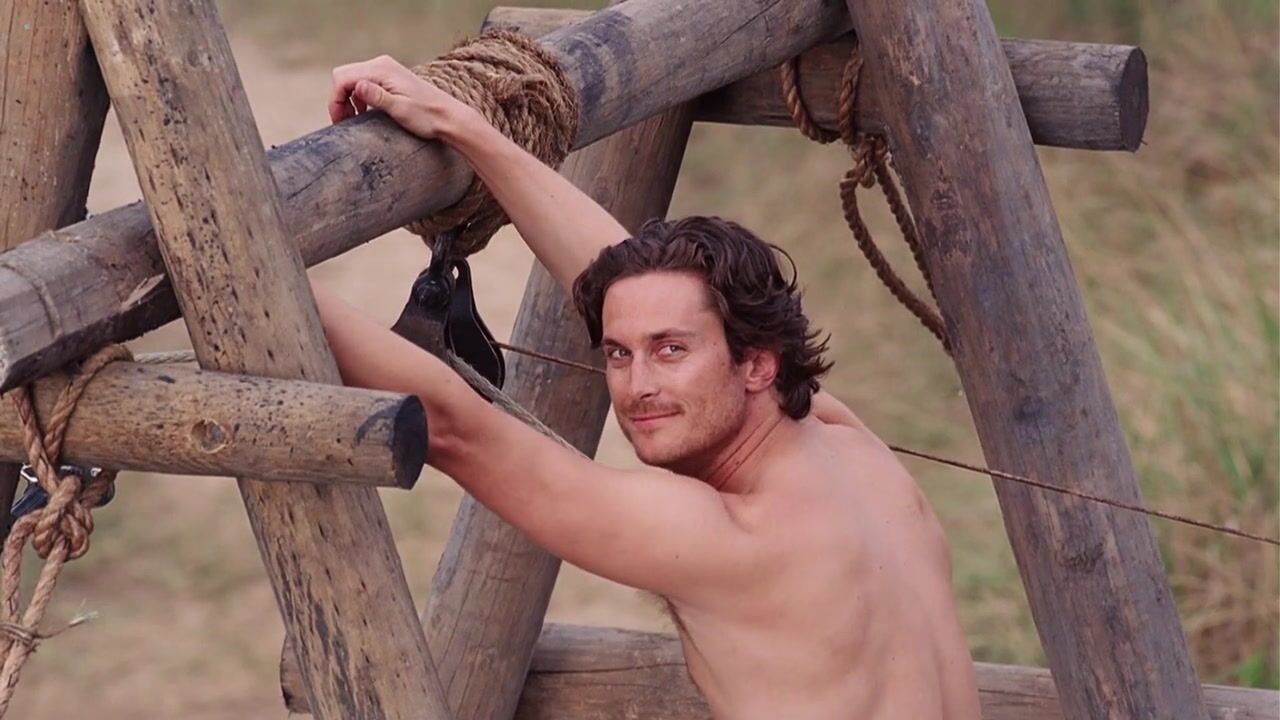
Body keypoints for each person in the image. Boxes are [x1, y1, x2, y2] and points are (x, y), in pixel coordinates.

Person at [315, 54, 982, 720]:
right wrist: (462, 125)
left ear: (756, 364)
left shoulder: (728, 538)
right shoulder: (858, 459)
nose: (637, 387)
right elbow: (627, 281)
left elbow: (458, 429)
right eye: (618, 353)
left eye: (671, 352)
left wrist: (265, 271)